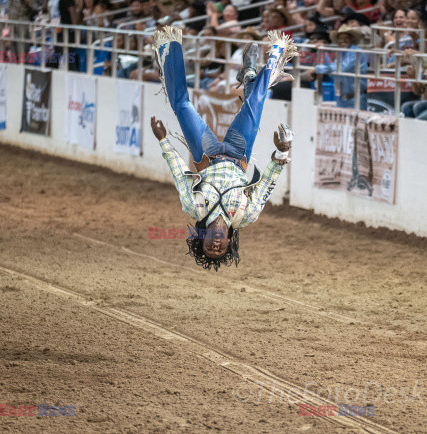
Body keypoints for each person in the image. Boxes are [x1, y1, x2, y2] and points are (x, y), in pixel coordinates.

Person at [152, 26, 296, 270]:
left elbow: (179, 174)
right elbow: (265, 185)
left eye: (209, 248)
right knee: (255, 104)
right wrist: (282, 151)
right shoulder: (245, 216)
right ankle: (267, 59)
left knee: (181, 105)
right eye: (220, 250)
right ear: (231, 241)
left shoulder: (194, 207)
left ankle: (170, 44)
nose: (216, 247)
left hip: (205, 153)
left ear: (203, 239)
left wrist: (163, 140)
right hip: (239, 153)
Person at [310, 24, 368, 109]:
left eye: (345, 38)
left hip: (357, 98)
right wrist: (323, 51)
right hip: (342, 97)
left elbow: (342, 68)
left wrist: (317, 69)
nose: (342, 40)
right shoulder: (342, 53)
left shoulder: (356, 52)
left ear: (351, 39)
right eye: (340, 38)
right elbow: (332, 67)